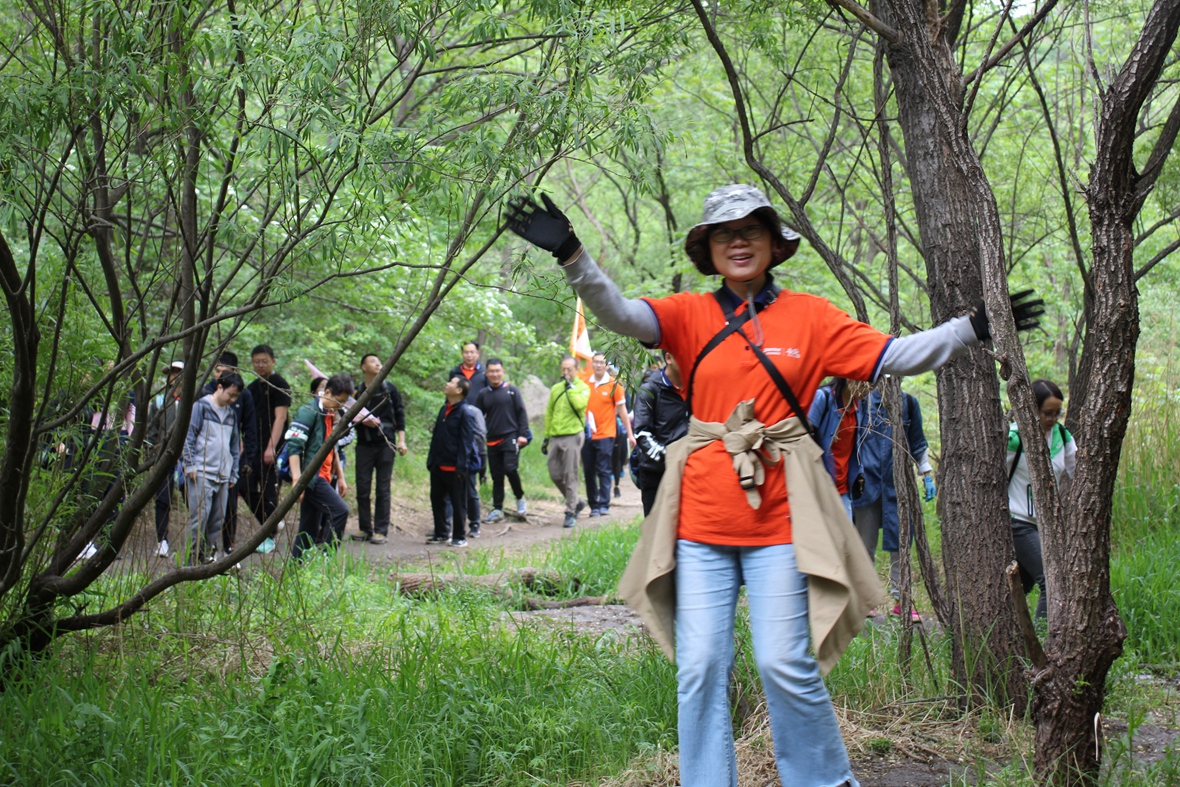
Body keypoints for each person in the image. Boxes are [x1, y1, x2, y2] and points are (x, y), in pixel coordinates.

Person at [505, 185, 1043, 787]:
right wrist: (573, 255)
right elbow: (621, 314)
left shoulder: (812, 317)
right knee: (700, 667)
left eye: (750, 230)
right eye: (724, 233)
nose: (738, 242)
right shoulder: (687, 314)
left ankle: (825, 781)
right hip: (701, 522)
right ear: (708, 247)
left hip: (781, 521)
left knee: (785, 663)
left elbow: (897, 355)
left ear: (772, 242)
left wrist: (974, 326)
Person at [851, 383, 936, 619]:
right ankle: (865, 600)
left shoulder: (908, 403)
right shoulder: (862, 402)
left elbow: (917, 442)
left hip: (898, 486)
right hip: (865, 484)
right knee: (864, 544)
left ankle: (902, 600)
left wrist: (927, 474)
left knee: (901, 543)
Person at [1007, 378, 1075, 619]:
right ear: (1032, 409)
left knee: (1022, 586)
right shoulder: (1013, 437)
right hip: (1017, 522)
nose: (1053, 419)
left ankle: (1014, 635)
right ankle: (1048, 639)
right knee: (1052, 580)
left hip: (1046, 525)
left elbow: (1079, 472)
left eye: (1058, 413)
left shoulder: (1062, 436)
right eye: (1047, 413)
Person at [285, 374, 354, 560]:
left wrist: (340, 477)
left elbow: (332, 447)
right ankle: (326, 560)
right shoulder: (309, 411)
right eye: (339, 401)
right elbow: (294, 446)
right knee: (340, 511)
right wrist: (297, 480)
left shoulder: (330, 413)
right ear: (328, 392)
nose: (341, 406)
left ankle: (296, 567)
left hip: (325, 475)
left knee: (308, 528)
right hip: (312, 478)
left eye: (344, 403)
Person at [182, 372, 243, 565]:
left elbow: (234, 446)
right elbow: (189, 436)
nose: (232, 400)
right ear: (219, 387)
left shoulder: (231, 415)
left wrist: (234, 472)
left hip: (223, 475)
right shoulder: (201, 407)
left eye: (236, 397)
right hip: (201, 472)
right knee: (199, 519)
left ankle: (204, 559)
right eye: (230, 395)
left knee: (217, 521)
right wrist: (189, 464)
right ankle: (189, 563)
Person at [202, 351, 258, 554]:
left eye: (224, 371)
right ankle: (207, 548)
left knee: (229, 506)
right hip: (206, 459)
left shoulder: (244, 394)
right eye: (217, 370)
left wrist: (247, 459)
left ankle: (228, 546)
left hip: (231, 459)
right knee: (205, 508)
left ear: (235, 371)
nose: (219, 375)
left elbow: (250, 429)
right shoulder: (205, 393)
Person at [351, 354, 407, 545]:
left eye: (379, 362)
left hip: (386, 444)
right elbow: (348, 414)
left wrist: (402, 441)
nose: (378, 364)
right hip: (364, 445)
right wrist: (362, 421)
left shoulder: (389, 389)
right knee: (362, 487)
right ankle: (365, 528)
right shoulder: (357, 392)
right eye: (373, 362)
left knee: (383, 488)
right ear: (363, 367)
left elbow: (400, 415)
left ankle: (381, 530)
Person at [244, 345, 291, 554]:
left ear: (273, 361)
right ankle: (272, 521)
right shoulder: (251, 388)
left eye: (264, 361)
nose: (260, 365)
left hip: (273, 446)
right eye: (256, 361)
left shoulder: (280, 384)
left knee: (269, 488)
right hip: (253, 446)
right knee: (244, 485)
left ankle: (269, 535)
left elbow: (281, 417)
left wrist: (272, 447)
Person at [632, 351, 688, 517]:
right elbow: (642, 433)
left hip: (690, 472)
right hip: (656, 472)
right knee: (657, 526)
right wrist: (669, 457)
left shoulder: (695, 387)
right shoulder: (649, 389)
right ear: (668, 358)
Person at [474, 358, 529, 523]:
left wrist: (523, 434)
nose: (495, 374)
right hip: (492, 439)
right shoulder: (483, 394)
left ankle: (520, 498)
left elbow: (522, 413)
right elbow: (477, 416)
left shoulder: (512, 391)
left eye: (497, 371)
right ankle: (497, 509)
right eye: (491, 371)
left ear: (502, 372)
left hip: (510, 436)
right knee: (496, 475)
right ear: (486, 373)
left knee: (510, 469)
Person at [809, 378, 871, 523]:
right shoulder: (822, 398)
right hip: (817, 488)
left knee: (845, 537)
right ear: (849, 378)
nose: (869, 389)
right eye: (865, 384)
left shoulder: (860, 405)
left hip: (843, 489)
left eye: (873, 385)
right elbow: (804, 438)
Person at [426, 376, 478, 547]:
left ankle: (459, 536)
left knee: (458, 503)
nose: (447, 384)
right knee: (437, 499)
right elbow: (436, 436)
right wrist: (431, 460)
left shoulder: (465, 413)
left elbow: (466, 442)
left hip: (455, 467)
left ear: (459, 390)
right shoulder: (444, 409)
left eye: (451, 383)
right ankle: (441, 533)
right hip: (438, 465)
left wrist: (461, 467)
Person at [582, 352, 636, 516]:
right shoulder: (585, 383)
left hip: (607, 433)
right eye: (596, 362)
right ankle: (594, 505)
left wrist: (630, 434)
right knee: (588, 470)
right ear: (592, 364)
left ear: (606, 366)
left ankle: (604, 504)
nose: (598, 365)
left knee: (604, 468)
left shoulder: (614, 384)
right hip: (587, 434)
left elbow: (622, 410)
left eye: (602, 363)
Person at [543, 356, 592, 528]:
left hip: (573, 434)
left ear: (577, 370)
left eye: (569, 369)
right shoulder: (556, 388)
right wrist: (546, 436)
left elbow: (579, 405)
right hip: (555, 435)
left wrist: (570, 387)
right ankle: (576, 501)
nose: (565, 372)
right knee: (554, 473)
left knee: (570, 474)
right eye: (563, 369)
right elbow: (550, 412)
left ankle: (570, 511)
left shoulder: (583, 388)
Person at [146, 361, 186, 558]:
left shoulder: (193, 400)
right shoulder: (160, 401)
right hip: (164, 458)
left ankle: (202, 542)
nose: (175, 376)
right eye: (172, 373)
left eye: (179, 373)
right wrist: (152, 457)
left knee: (194, 499)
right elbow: (151, 432)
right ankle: (162, 540)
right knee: (162, 500)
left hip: (188, 459)